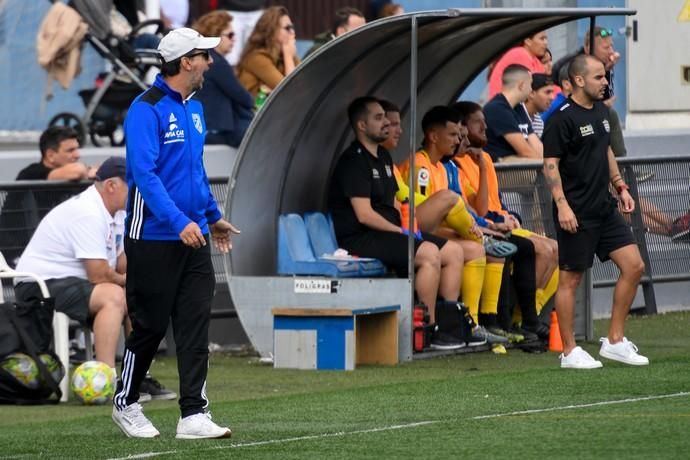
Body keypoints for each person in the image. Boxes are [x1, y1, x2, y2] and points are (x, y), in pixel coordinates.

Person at [112, 27, 240, 439]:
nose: (210, 61)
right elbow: (145, 177)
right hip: (152, 236)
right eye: (204, 55)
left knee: (194, 325)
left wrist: (210, 215)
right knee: (148, 327)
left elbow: (195, 171)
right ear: (186, 62)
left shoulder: (196, 108)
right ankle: (126, 402)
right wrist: (178, 221)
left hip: (195, 233)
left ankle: (193, 415)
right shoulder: (144, 109)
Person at [13, 156, 175, 400]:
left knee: (137, 294)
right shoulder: (88, 212)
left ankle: (137, 378)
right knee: (114, 296)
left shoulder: (119, 213)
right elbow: (99, 274)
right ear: (111, 186)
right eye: (135, 185)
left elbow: (121, 262)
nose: (141, 192)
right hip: (37, 284)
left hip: (70, 281)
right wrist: (130, 280)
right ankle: (106, 381)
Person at [328, 97, 465, 350]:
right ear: (361, 125)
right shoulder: (353, 162)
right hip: (361, 237)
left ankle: (450, 323)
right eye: (378, 118)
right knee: (428, 254)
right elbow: (364, 215)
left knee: (454, 251)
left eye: (386, 118)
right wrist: (402, 232)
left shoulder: (383, 157)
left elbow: (392, 203)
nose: (387, 124)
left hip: (389, 234)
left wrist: (407, 229)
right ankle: (428, 328)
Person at [542, 54, 649, 369]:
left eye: (605, 76)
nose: (605, 82)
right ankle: (569, 351)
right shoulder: (560, 118)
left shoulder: (602, 111)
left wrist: (620, 187)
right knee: (570, 280)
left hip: (605, 208)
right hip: (575, 212)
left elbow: (606, 151)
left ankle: (615, 341)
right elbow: (550, 165)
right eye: (599, 77)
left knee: (634, 266)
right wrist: (562, 205)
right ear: (579, 80)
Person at [398, 106, 512, 346]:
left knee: (476, 250)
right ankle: (480, 237)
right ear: (433, 136)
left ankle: (470, 322)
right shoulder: (421, 166)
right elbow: (422, 216)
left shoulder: (444, 166)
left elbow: (473, 209)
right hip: (414, 229)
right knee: (450, 201)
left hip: (443, 229)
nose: (458, 141)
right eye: (453, 135)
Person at [451, 101, 558, 340]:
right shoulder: (457, 163)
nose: (485, 127)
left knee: (555, 249)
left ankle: (528, 315)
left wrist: (511, 216)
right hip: (483, 226)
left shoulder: (485, 158)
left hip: (494, 222)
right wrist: (496, 220)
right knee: (535, 249)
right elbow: (478, 209)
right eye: (478, 123)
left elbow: (496, 202)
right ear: (463, 128)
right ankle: (516, 319)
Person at [0, 127, 97, 267]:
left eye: (77, 149)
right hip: (18, 254)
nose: (77, 155)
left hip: (56, 253)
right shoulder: (31, 174)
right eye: (70, 150)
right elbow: (77, 171)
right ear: (50, 155)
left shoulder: (75, 179)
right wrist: (88, 170)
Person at [192, 10, 254, 147]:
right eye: (230, 35)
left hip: (204, 128)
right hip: (216, 131)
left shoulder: (202, 57)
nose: (234, 39)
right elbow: (243, 97)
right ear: (215, 35)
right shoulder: (216, 62)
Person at [484, 64, 543, 162]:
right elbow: (525, 151)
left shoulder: (518, 107)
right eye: (530, 85)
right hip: (503, 168)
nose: (531, 89)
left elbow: (536, 144)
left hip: (520, 166)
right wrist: (547, 169)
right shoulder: (496, 109)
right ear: (522, 85)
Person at [236, 6, 299, 98]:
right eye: (287, 28)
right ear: (272, 30)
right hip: (253, 111)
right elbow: (290, 90)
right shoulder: (256, 57)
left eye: (292, 27)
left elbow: (303, 84)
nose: (292, 32)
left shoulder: (282, 55)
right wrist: (288, 56)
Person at [487, 31, 548, 100]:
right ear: (528, 41)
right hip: (503, 106)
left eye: (546, 39)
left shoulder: (535, 59)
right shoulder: (520, 54)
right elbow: (536, 87)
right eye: (542, 39)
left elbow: (546, 85)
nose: (546, 43)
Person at [217, 0, 266, 66]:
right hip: (230, 9)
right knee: (231, 56)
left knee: (256, 54)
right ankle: (231, 75)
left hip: (257, 10)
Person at [523, 73, 555, 139]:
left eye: (552, 92)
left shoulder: (539, 122)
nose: (552, 97)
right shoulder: (514, 115)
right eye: (547, 92)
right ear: (531, 93)